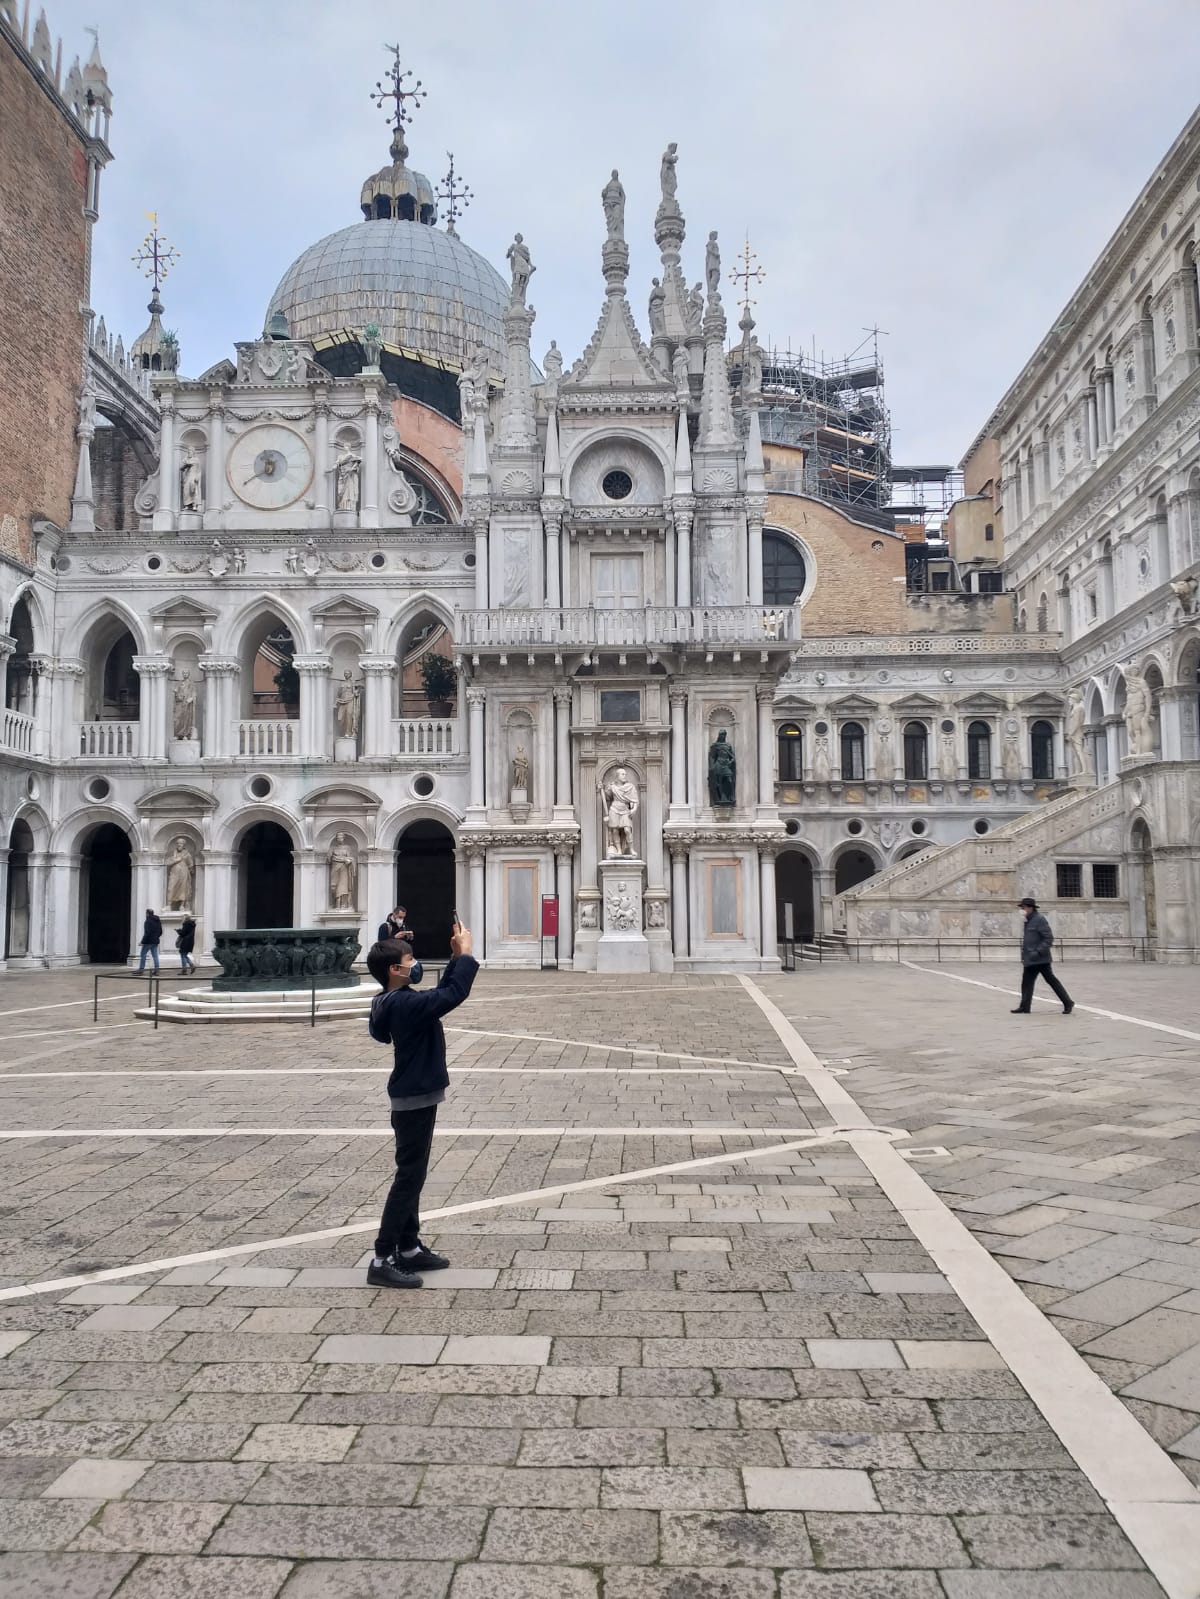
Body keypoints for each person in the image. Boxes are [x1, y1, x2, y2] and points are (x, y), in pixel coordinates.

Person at [365, 920, 479, 1288]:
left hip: (412, 1096)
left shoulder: (390, 1000)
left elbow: (439, 994)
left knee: (412, 1174)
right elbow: (452, 994)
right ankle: (383, 1256)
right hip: (413, 1098)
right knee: (408, 1177)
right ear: (395, 971)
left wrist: (454, 956)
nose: (415, 963)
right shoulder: (405, 1005)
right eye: (410, 959)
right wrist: (466, 955)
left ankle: (409, 1246)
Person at [1012, 896, 1073, 1015]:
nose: (1022, 910)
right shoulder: (1027, 920)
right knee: (1026, 983)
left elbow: (1048, 938)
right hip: (1030, 959)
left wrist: (1038, 952)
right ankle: (1025, 1006)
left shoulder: (1039, 919)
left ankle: (1068, 1002)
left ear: (1030, 908)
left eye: (1023, 907)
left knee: (1051, 981)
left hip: (1041, 959)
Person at [137, 909, 163, 974]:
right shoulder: (158, 921)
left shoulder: (147, 921)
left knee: (143, 954)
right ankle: (157, 970)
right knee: (155, 956)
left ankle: (141, 970)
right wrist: (156, 937)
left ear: (147, 913)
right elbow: (160, 931)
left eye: (146, 913)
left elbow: (147, 933)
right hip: (155, 941)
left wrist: (142, 942)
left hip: (148, 942)